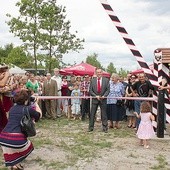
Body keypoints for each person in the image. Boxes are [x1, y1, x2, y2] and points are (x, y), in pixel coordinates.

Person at [0, 89, 42, 169]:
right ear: (26, 100)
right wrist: (36, 103)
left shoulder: (12, 109)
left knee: (10, 147)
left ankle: (14, 164)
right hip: (17, 139)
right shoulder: (28, 109)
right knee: (29, 146)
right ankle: (16, 162)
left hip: (3, 138)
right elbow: (38, 116)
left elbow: (9, 118)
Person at [89, 68, 110, 132]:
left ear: (102, 73)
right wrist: (95, 96)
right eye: (98, 72)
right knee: (92, 114)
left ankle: (105, 128)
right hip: (95, 99)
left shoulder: (106, 80)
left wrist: (104, 96)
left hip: (103, 99)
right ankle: (91, 127)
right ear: (96, 73)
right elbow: (90, 90)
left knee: (104, 114)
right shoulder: (92, 80)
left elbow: (108, 90)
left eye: (100, 72)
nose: (99, 73)